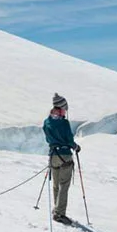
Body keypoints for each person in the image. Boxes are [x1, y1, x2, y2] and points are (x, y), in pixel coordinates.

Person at [43, 93, 80, 225]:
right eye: (65, 109)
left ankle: (56, 209)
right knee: (64, 185)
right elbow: (69, 139)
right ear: (60, 108)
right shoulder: (64, 123)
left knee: (56, 184)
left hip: (53, 155)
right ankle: (60, 213)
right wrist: (76, 147)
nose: (65, 111)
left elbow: (48, 138)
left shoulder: (47, 122)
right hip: (65, 155)